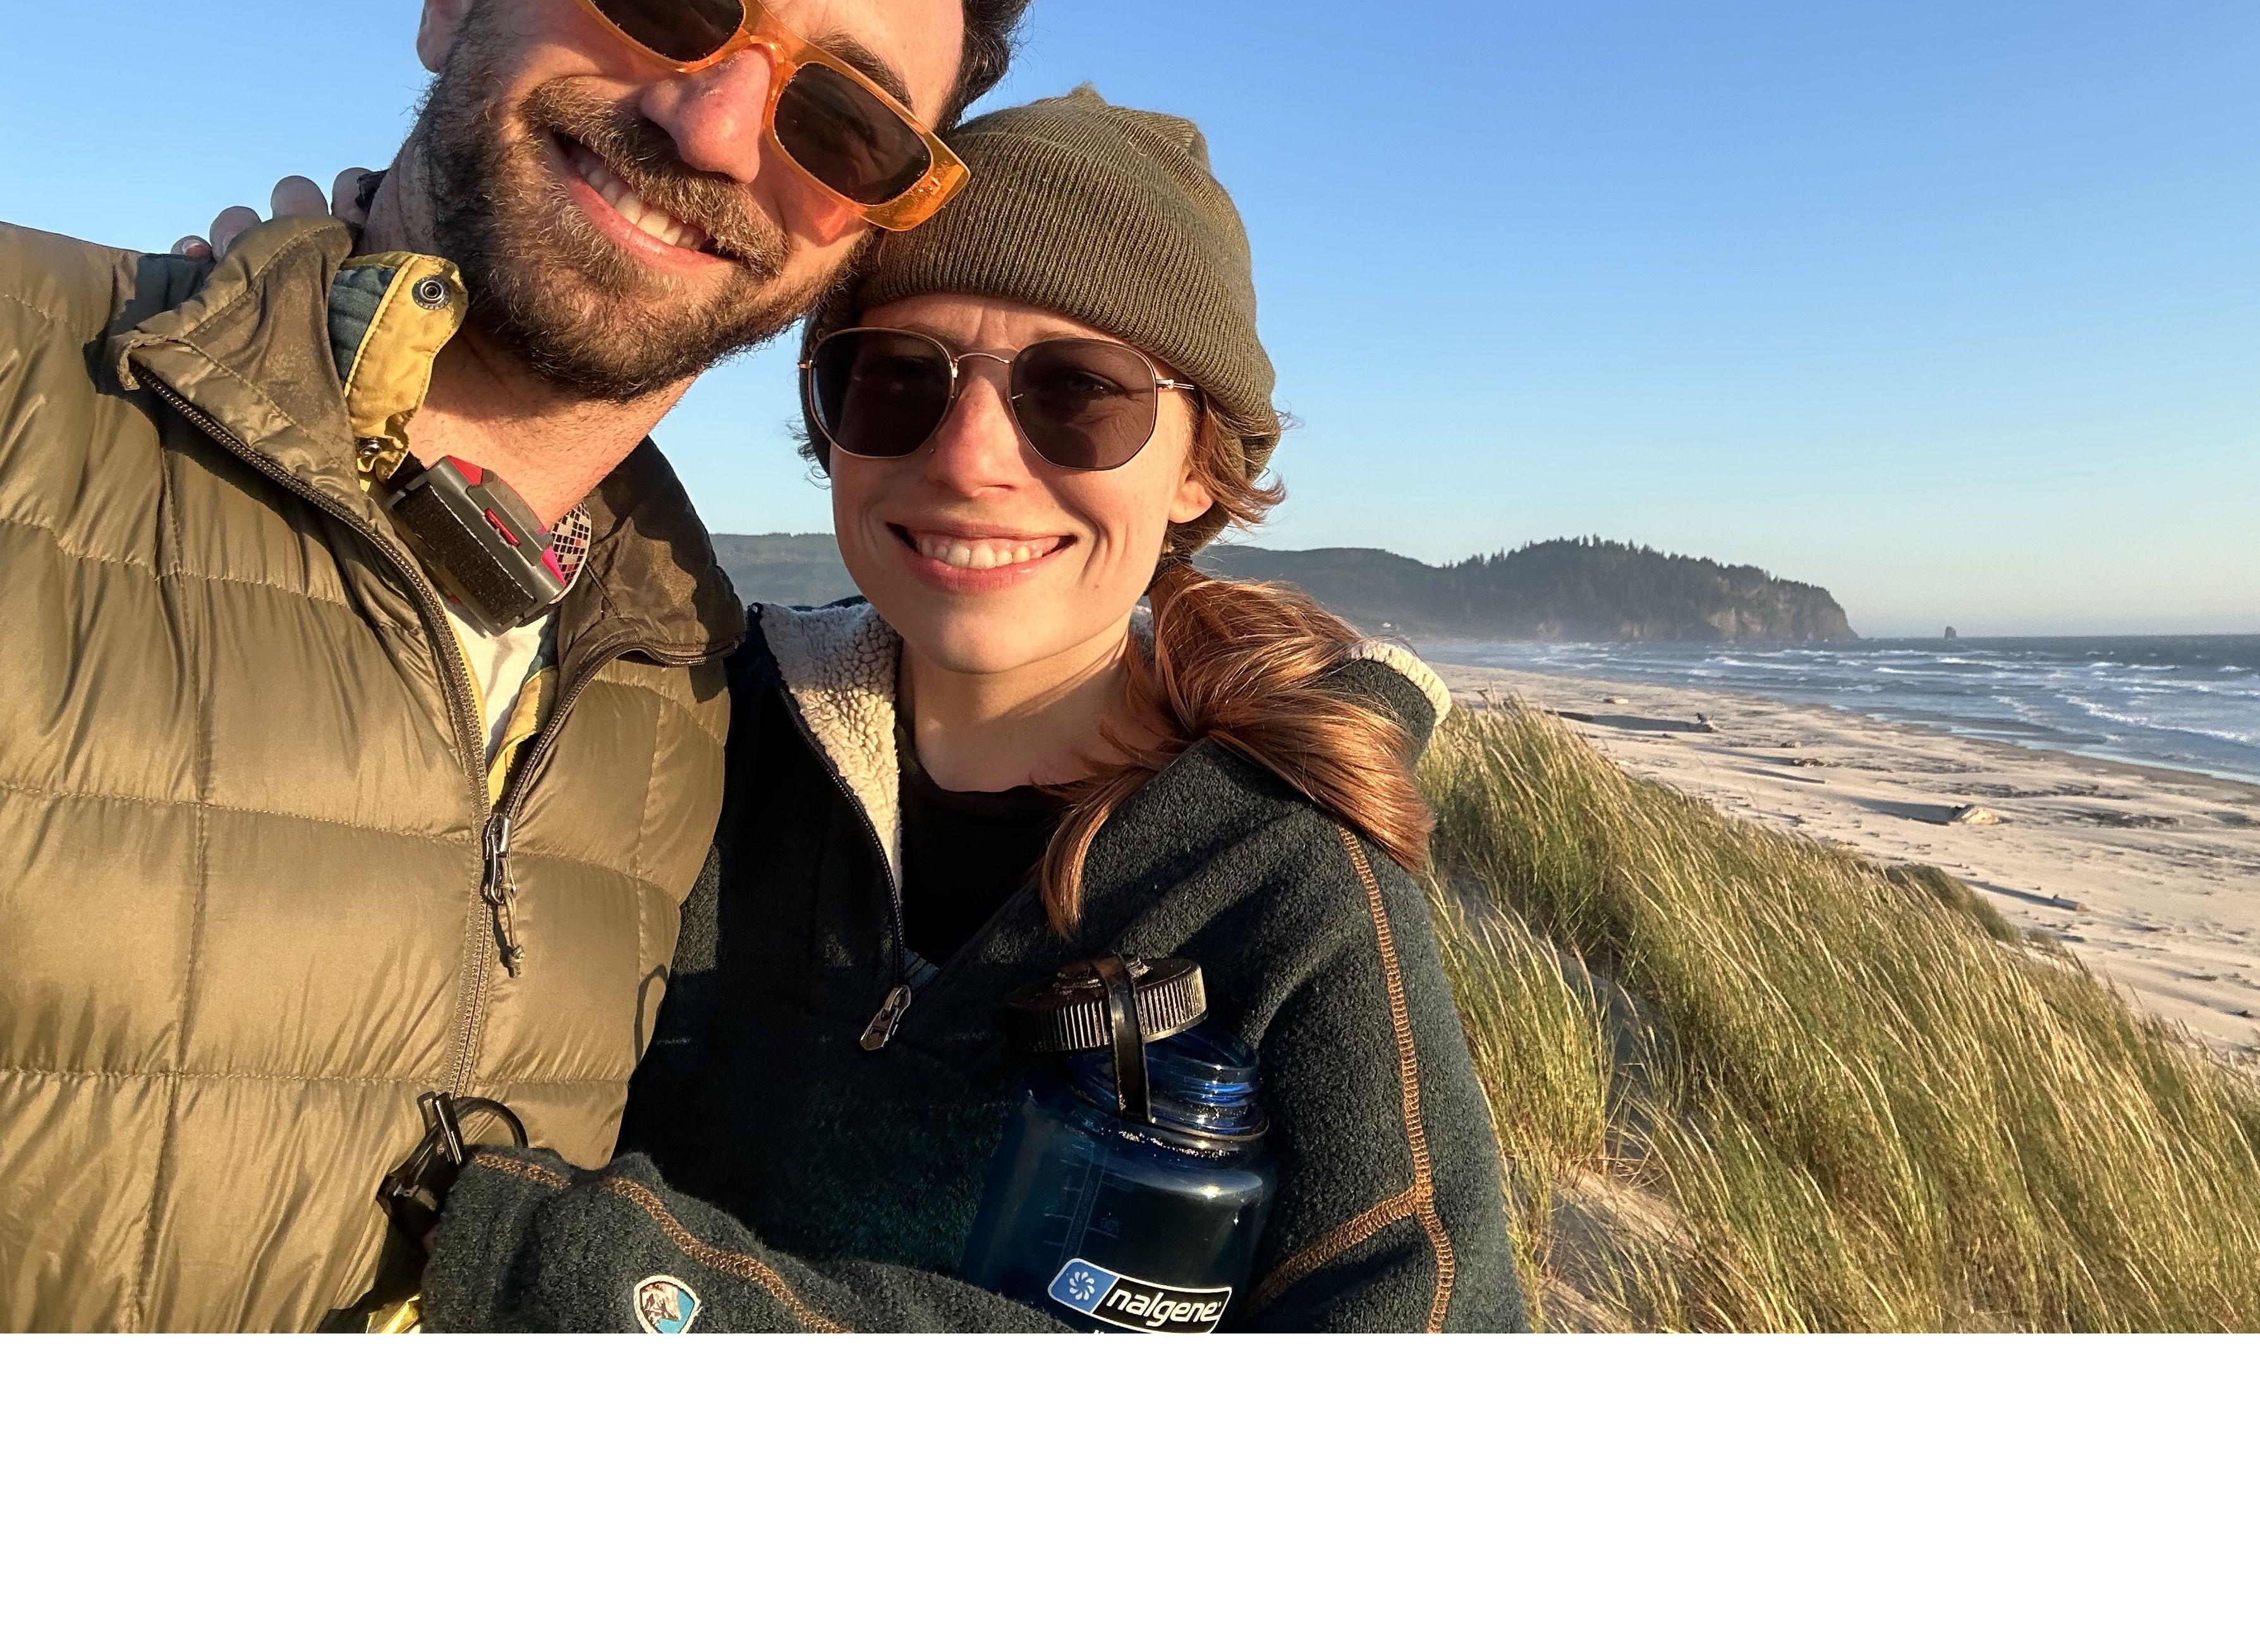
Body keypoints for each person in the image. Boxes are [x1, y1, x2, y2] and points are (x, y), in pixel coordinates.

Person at [0, 0, 1042, 1331]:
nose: (714, 129)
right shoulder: (31, 393)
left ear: (859, 235)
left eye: (845, 123)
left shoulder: (696, 685)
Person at [420, 89, 1526, 1331]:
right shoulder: (691, 725)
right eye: (898, 378)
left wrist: (602, 1288)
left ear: (1200, 467)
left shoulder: (1285, 889)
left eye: (1080, 392)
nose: (968, 458)